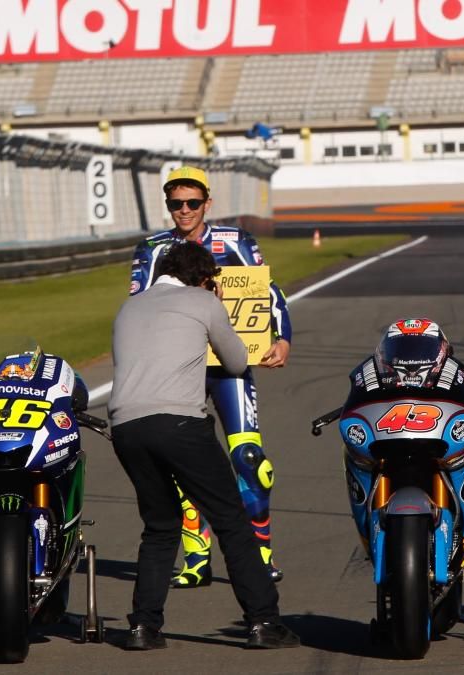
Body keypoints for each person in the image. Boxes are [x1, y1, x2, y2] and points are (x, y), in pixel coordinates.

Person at [109, 241, 299, 650]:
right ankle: (263, 622)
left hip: (126, 425)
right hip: (180, 422)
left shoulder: (129, 307)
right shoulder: (202, 299)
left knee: (159, 528)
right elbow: (234, 362)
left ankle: (144, 627)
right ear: (202, 278)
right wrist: (216, 308)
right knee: (231, 521)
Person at [130, 166, 292, 588]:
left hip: (229, 366)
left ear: (208, 203)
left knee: (250, 461)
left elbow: (268, 291)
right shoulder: (152, 248)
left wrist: (283, 338)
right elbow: (139, 305)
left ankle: (260, 555)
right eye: (175, 204)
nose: (184, 211)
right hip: (178, 368)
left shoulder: (234, 241)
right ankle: (196, 557)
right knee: (182, 462)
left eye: (192, 203)